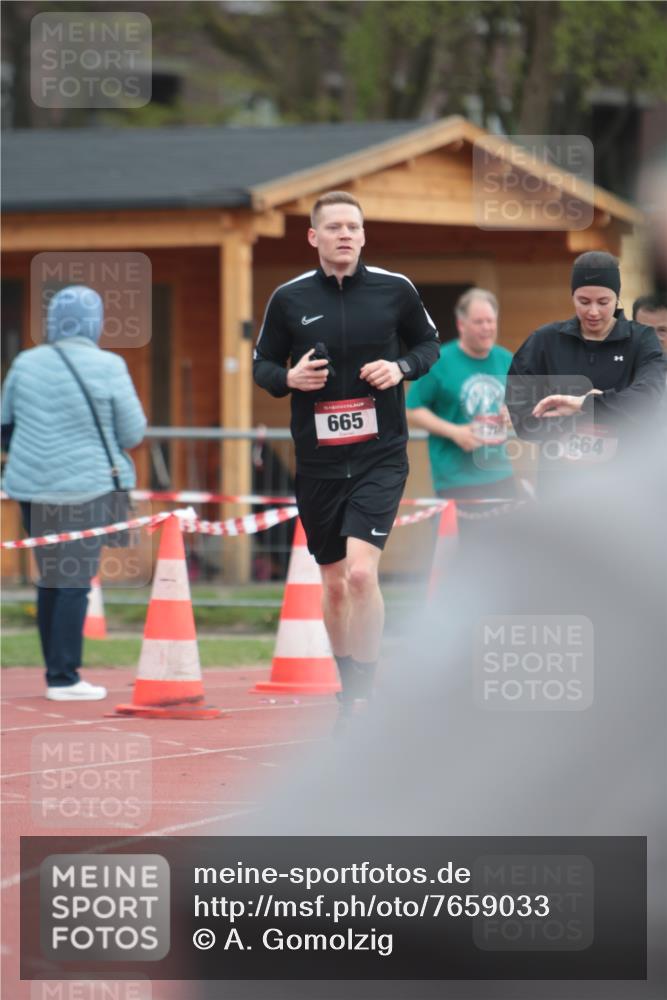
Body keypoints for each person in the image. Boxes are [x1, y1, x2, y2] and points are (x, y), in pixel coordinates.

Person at [253, 190, 439, 724]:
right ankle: (348, 684)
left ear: (363, 235)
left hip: (381, 455)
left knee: (360, 575)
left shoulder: (395, 290)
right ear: (314, 236)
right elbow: (263, 364)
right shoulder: (288, 298)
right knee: (334, 583)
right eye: (334, 227)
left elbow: (429, 346)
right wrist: (289, 378)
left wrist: (400, 368)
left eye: (353, 227)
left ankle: (364, 694)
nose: (345, 235)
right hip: (320, 464)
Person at [1, 285, 146, 700]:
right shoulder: (110, 365)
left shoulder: (25, 362)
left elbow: (5, 424)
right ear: (94, 322)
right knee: (75, 581)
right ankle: (64, 678)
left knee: (49, 578)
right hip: (88, 488)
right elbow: (132, 432)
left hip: (31, 489)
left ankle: (55, 672)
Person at [506, 251, 666, 485]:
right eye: (583, 301)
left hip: (625, 484)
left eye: (603, 302)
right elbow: (519, 409)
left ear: (617, 298)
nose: (593, 311)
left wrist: (583, 404)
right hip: (560, 483)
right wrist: (563, 435)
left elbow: (647, 399)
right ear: (572, 296)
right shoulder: (545, 340)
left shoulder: (641, 340)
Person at [406, 288, 515, 534]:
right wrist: (455, 432)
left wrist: (514, 413)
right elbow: (412, 410)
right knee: (462, 552)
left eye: (490, 321)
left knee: (510, 550)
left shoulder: (507, 360)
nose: (486, 328)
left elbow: (522, 405)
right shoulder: (439, 361)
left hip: (500, 474)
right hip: (455, 478)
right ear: (461, 325)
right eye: (479, 322)